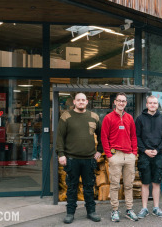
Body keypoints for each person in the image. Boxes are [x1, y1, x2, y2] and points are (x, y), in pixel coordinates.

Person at [56, 93, 102, 224]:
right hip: (71, 159)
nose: (81, 102)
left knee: (89, 187)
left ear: (87, 102)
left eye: (83, 100)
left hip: (89, 159)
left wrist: (99, 150)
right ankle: (70, 213)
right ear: (74, 102)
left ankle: (91, 212)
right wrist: (61, 154)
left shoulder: (94, 116)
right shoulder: (66, 116)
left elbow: (101, 135)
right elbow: (59, 137)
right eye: (78, 100)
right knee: (71, 187)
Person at [101, 93, 139, 222]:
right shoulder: (108, 118)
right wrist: (109, 156)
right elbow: (104, 138)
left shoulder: (129, 118)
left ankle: (129, 209)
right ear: (115, 102)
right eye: (119, 101)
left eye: (123, 101)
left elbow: (133, 136)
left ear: (126, 103)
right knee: (115, 185)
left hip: (129, 156)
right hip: (115, 155)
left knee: (129, 185)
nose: (121, 103)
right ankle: (115, 210)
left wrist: (134, 153)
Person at [135, 95, 162, 219]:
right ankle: (144, 208)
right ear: (147, 104)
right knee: (145, 182)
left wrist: (157, 149)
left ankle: (156, 208)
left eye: (155, 103)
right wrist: (145, 150)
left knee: (156, 182)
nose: (153, 105)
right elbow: (137, 136)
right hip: (144, 155)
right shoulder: (139, 119)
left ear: (157, 104)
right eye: (150, 103)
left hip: (158, 155)